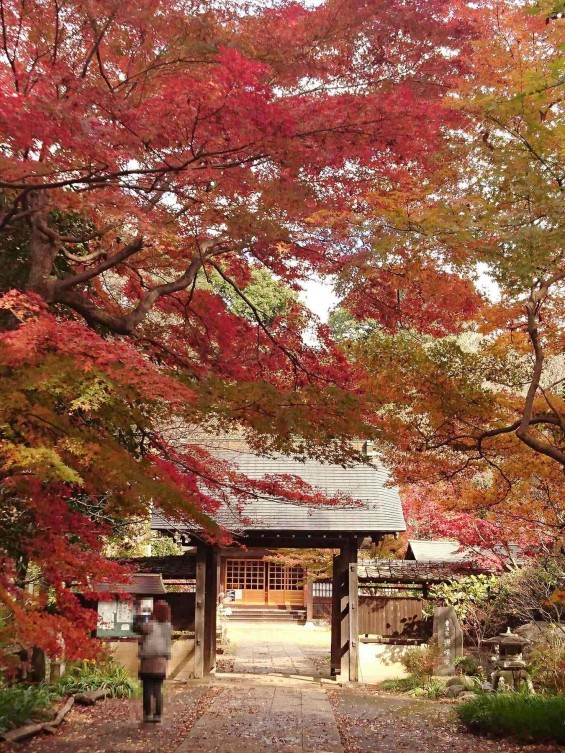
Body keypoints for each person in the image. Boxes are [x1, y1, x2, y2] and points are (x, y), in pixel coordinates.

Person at [138, 600, 172, 724]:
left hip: (148, 660)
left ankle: (148, 714)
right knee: (158, 689)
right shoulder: (168, 627)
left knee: (147, 688)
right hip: (161, 661)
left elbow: (140, 634)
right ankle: (158, 714)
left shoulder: (150, 625)